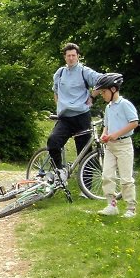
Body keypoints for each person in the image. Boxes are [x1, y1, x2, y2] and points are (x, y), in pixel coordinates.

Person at [48, 43, 102, 178]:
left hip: (81, 116)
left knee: (84, 151)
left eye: (73, 55)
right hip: (65, 117)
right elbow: (55, 91)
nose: (71, 58)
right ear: (65, 57)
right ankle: (59, 173)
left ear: (78, 56)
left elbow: (102, 81)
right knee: (53, 141)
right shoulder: (60, 73)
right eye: (68, 56)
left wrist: (92, 96)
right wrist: (59, 105)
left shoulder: (85, 71)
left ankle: (87, 187)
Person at [93, 73, 139, 217]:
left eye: (104, 92)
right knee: (107, 175)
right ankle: (111, 205)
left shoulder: (125, 104)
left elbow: (134, 122)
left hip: (124, 145)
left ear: (113, 89)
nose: (102, 95)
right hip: (110, 147)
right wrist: (104, 134)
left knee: (126, 178)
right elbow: (106, 125)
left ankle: (131, 208)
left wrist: (116, 135)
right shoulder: (108, 107)